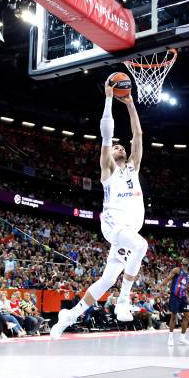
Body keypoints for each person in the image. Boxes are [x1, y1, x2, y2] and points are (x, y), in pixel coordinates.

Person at [51, 78, 146, 338]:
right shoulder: (108, 170)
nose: (119, 146)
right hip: (115, 226)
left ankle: (69, 316)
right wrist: (107, 98)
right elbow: (106, 133)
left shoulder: (133, 168)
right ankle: (123, 301)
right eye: (115, 146)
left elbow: (137, 135)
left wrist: (129, 104)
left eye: (120, 145)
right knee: (141, 246)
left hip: (128, 229)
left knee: (107, 279)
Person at [158, 258, 189, 346]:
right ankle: (170, 338)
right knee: (173, 315)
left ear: (188, 264)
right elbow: (168, 278)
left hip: (183, 297)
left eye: (186, 263)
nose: (185, 264)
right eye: (183, 263)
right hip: (175, 296)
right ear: (181, 263)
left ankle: (182, 338)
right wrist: (160, 285)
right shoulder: (176, 270)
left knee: (188, 315)